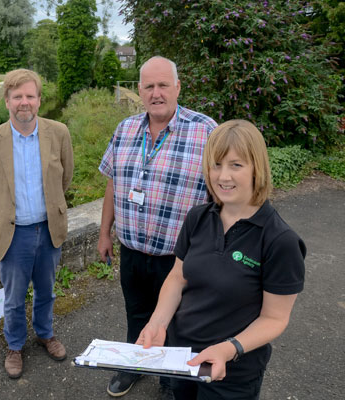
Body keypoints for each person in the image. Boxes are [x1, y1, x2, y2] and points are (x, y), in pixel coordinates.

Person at [137, 119, 306, 399]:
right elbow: (178, 277)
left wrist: (228, 349)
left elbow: (274, 318)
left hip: (233, 372)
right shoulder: (197, 218)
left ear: (257, 168)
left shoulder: (280, 240)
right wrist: (157, 322)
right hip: (182, 358)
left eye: (236, 165)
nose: (223, 176)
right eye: (216, 165)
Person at [97, 56, 217, 397]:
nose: (156, 93)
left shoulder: (206, 130)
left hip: (179, 259)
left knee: (177, 323)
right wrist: (105, 233)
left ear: (178, 87)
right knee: (136, 313)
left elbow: (220, 197)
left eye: (163, 85)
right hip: (132, 251)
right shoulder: (125, 129)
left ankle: (170, 381)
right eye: (149, 86)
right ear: (140, 91)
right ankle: (135, 364)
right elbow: (112, 185)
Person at [0, 69, 74, 379]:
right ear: (6, 101)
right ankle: (15, 346)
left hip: (48, 230)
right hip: (13, 233)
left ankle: (45, 334)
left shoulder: (59, 133)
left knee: (47, 291)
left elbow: (66, 178)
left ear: (39, 100)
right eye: (17, 96)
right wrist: (10, 211)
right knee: (14, 297)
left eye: (30, 96)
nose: (24, 102)